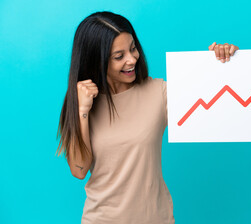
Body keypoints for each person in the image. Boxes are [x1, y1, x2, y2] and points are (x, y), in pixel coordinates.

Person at [56, 11, 239, 224]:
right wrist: (82, 111)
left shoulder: (159, 93)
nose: (132, 59)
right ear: (96, 60)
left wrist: (222, 65)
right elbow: (79, 170)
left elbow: (219, 107)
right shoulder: (83, 102)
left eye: (133, 49)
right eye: (119, 56)